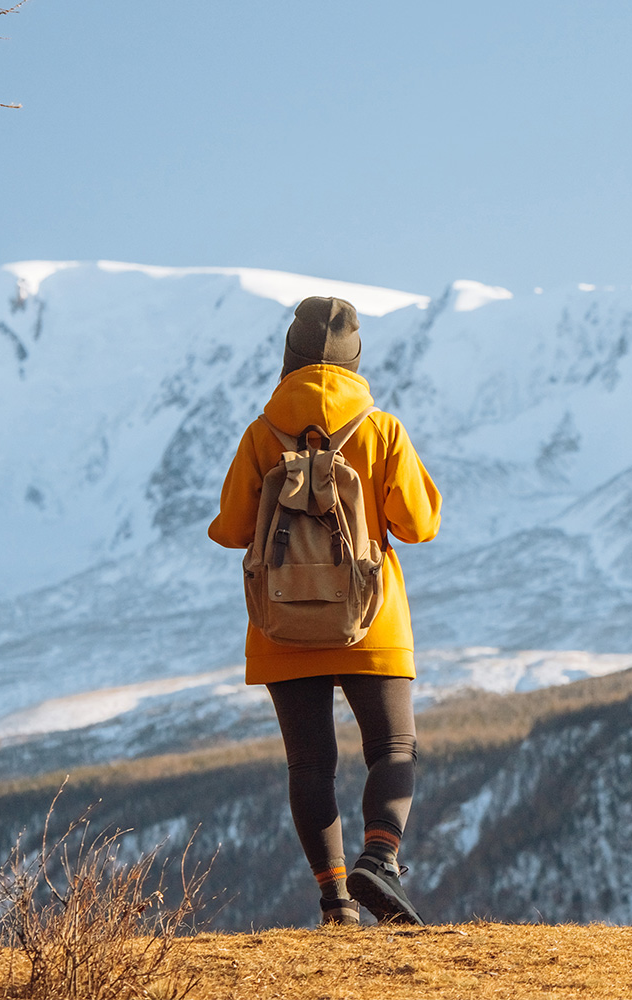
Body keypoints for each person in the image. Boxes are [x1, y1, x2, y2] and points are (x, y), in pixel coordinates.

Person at [209, 296, 442, 926]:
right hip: (371, 619)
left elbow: (231, 531)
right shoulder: (380, 428)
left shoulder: (262, 432)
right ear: (355, 360)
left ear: (290, 357)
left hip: (281, 622)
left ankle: (335, 899)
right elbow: (419, 524)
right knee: (393, 748)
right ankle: (381, 859)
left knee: (310, 763)